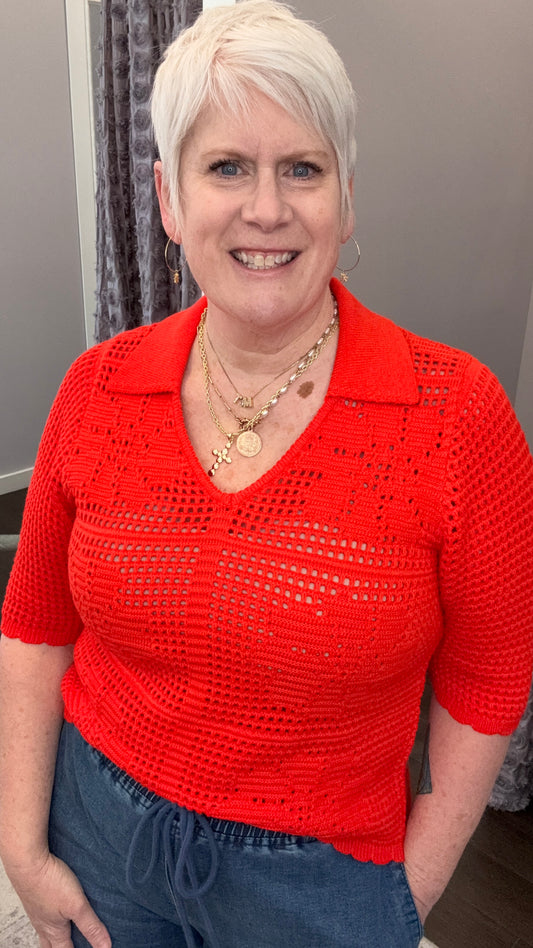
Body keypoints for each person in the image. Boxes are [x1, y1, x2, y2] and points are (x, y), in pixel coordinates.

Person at [1, 2, 532, 946]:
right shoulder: (96, 388)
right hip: (99, 832)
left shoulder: (456, 416)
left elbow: (488, 676)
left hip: (320, 878)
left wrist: (406, 894)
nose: (266, 209)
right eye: (225, 167)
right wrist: (21, 847)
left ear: (345, 198)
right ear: (169, 199)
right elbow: (35, 628)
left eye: (302, 168)